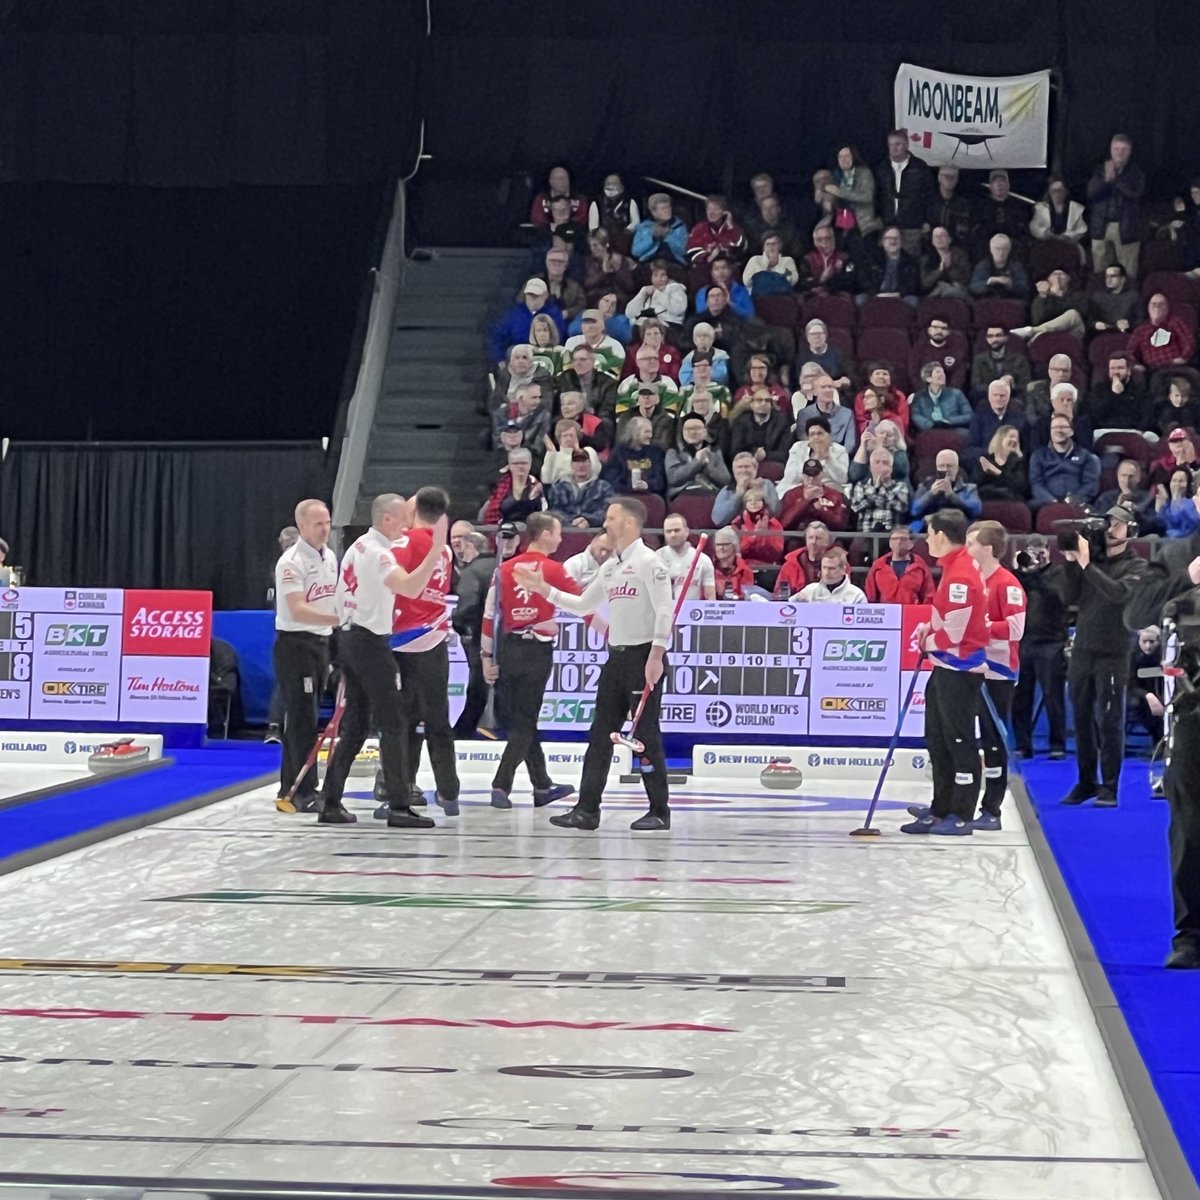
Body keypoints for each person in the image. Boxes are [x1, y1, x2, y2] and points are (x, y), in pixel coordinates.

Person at [515, 498, 676, 831]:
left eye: (612, 518)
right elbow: (583, 604)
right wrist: (544, 589)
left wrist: (657, 655)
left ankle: (659, 810)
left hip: (644, 655)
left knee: (645, 735)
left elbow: (665, 610)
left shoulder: (650, 562)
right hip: (616, 658)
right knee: (600, 734)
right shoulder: (612, 566)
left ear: (630, 524)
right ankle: (587, 809)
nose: (606, 523)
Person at [320, 493, 446, 829]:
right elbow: (411, 588)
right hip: (369, 643)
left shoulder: (359, 544)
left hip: (349, 637)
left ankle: (330, 800)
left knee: (357, 726)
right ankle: (399, 805)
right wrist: (436, 550)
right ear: (387, 519)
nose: (408, 523)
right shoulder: (377, 554)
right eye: (404, 516)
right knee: (393, 722)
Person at [1120, 494, 1200, 967]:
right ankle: (1190, 934)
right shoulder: (1174, 554)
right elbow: (1136, 615)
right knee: (1190, 824)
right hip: (1193, 711)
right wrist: (1186, 581)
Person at [481, 511, 580, 811]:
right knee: (525, 722)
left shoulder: (503, 570)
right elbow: (581, 602)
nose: (561, 539)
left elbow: (489, 616)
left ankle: (542, 785)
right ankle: (501, 783)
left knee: (524, 719)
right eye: (558, 533)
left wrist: (486, 656)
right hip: (536, 650)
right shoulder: (555, 569)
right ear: (545, 534)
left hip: (509, 648)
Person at [901, 509, 989, 836]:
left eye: (929, 533)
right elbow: (949, 622)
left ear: (941, 535)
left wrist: (928, 639)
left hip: (959, 669)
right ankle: (941, 806)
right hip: (945, 666)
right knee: (937, 739)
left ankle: (962, 812)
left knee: (959, 740)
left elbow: (954, 634)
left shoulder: (961, 576)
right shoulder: (954, 569)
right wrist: (930, 628)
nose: (926, 539)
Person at [1059, 504, 1145, 807]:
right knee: (1081, 720)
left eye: (1119, 524)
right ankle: (1085, 782)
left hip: (1114, 651)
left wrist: (1086, 566)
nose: (1111, 528)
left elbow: (1119, 594)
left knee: (1110, 720)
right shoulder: (1090, 561)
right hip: (1083, 648)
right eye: (1108, 522)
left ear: (1131, 530)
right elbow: (1069, 598)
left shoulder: (1137, 566)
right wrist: (1072, 562)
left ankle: (1110, 786)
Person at [388, 486, 460, 817]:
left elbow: (391, 583)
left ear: (415, 510)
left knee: (401, 720)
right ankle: (449, 791)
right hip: (435, 638)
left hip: (405, 639)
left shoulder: (406, 543)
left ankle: (399, 791)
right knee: (438, 718)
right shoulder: (443, 549)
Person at [271, 499, 339, 813]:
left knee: (310, 717)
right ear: (301, 527)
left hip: (321, 645)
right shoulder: (291, 561)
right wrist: (339, 619)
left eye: (327, 522)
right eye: (317, 524)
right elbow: (298, 608)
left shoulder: (331, 557)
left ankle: (301, 785)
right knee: (301, 720)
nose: (324, 529)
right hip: (296, 645)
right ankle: (298, 789)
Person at [964, 520, 1027, 831]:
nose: (967, 549)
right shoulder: (972, 580)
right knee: (964, 736)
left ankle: (992, 808)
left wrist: (982, 628)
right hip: (969, 669)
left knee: (992, 740)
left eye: (972, 543)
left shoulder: (1007, 584)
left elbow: (1016, 629)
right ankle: (958, 802)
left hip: (997, 673)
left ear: (987, 549)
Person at [1011, 535, 1069, 759]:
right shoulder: (1024, 576)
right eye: (1032, 550)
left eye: (1041, 550)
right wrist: (1019, 572)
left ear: (1048, 551)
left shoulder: (1059, 573)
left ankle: (1058, 745)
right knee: (1020, 696)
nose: (1037, 554)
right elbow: (1015, 595)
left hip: (1051, 642)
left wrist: (1034, 574)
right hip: (1024, 641)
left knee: (1053, 695)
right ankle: (1022, 745)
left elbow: (1056, 597)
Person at [450, 530, 494, 739]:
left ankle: (463, 730)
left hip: (477, 634)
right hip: (503, 635)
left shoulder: (472, 572)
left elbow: (467, 604)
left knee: (477, 683)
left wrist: (458, 624)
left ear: (471, 547)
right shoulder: (500, 567)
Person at [1086, 133, 1146, 276]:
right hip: (1101, 226)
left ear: (1129, 151)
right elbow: (1091, 194)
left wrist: (1116, 179)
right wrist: (1105, 180)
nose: (1119, 153)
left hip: (1125, 227)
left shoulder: (1136, 172)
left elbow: (1135, 194)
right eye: (1116, 149)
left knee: (1127, 270)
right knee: (1100, 269)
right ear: (1111, 150)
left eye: (1123, 150)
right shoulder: (1101, 169)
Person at [265, 524, 301, 745]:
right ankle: (274, 726)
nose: (286, 548)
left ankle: (296, 728)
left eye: (290, 545)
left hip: (313, 632)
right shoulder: (280, 567)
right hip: (288, 632)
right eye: (284, 545)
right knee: (285, 679)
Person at [876, 128, 933, 255]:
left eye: (898, 144)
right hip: (887, 224)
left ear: (907, 144)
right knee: (887, 264)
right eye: (890, 145)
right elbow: (877, 196)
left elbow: (930, 196)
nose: (894, 148)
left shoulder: (920, 167)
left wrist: (927, 220)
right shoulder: (881, 168)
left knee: (910, 264)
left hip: (912, 226)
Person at [1029, 416, 1101, 509]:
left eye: (1063, 427)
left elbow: (1090, 485)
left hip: (1079, 505)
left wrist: (1073, 501)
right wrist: (1052, 502)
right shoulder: (1038, 456)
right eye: (1054, 427)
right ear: (1050, 432)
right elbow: (1036, 484)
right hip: (1046, 504)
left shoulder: (1086, 456)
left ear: (1072, 431)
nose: (1059, 430)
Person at [489, 279, 565, 365]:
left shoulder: (554, 313)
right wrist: (500, 359)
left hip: (546, 358)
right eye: (529, 294)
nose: (532, 298)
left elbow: (559, 337)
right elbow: (497, 335)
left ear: (545, 295)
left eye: (536, 295)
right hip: (517, 360)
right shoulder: (514, 313)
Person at [1083, 351, 1153, 433]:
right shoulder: (1099, 389)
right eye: (1112, 368)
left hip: (1133, 432)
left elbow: (1144, 417)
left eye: (1120, 368)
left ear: (1128, 371)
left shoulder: (1140, 391)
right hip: (1103, 431)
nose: (1116, 372)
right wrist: (1113, 395)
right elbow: (1095, 415)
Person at [666, 413, 731, 501]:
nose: (693, 432)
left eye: (697, 428)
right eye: (688, 429)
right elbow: (673, 478)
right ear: (682, 432)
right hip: (683, 494)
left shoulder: (714, 451)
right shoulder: (674, 452)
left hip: (710, 494)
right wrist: (697, 462)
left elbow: (725, 480)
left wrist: (707, 466)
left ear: (705, 431)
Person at [864, 526, 934, 604]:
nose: (898, 542)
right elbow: (870, 595)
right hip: (886, 612)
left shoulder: (920, 566)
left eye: (903, 539)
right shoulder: (878, 566)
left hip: (911, 612)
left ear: (911, 543)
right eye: (895, 539)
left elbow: (928, 596)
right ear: (890, 543)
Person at [1127, 294, 1196, 374]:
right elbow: (1130, 352)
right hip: (1152, 370)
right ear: (1148, 308)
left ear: (1167, 309)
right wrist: (1135, 365)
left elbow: (1188, 341)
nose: (1157, 307)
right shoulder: (1140, 330)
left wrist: (1183, 358)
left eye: (1161, 304)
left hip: (1174, 366)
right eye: (1153, 304)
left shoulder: (1175, 322)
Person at [1012, 269, 1086, 341]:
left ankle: (1032, 331)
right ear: (1048, 279)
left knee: (1073, 313)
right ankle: (1036, 334)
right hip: (1047, 333)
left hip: (1073, 331)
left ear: (1068, 278)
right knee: (1041, 334)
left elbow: (1081, 313)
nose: (1058, 277)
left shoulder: (1077, 295)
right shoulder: (1042, 297)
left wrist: (1058, 294)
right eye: (1054, 274)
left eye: (1062, 274)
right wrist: (1043, 296)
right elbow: (1037, 320)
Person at [604, 413, 668, 497]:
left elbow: (660, 480)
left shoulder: (656, 452)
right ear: (635, 432)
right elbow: (611, 480)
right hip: (624, 495)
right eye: (646, 432)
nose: (650, 436)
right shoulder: (619, 451)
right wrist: (630, 487)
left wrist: (648, 485)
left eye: (651, 432)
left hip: (650, 495)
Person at [849, 447, 911, 533]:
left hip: (891, 536)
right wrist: (876, 489)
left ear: (891, 468)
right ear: (870, 467)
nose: (881, 466)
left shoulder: (900, 486)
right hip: (865, 535)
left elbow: (901, 507)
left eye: (885, 463)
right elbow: (856, 507)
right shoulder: (861, 486)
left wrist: (881, 490)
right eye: (877, 462)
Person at [911, 448, 982, 522]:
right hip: (928, 526)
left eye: (950, 466)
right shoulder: (925, 486)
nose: (946, 469)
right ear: (936, 467)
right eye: (941, 466)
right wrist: (931, 494)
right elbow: (914, 511)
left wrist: (952, 496)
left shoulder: (969, 488)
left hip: (958, 527)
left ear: (957, 468)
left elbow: (976, 511)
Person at [547, 449, 613, 527]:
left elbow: (606, 512)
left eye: (584, 461)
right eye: (577, 461)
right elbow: (554, 512)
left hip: (594, 532)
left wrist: (588, 520)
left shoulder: (604, 488)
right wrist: (573, 522)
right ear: (571, 465)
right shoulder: (558, 488)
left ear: (590, 464)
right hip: (565, 532)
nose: (581, 465)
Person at [480, 448, 546, 526]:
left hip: (531, 530)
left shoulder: (537, 486)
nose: (520, 466)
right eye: (516, 463)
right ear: (509, 466)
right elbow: (488, 514)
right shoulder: (498, 486)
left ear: (530, 464)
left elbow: (543, 513)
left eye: (524, 463)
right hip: (502, 530)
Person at [712, 451, 782, 525]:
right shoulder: (727, 490)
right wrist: (738, 496)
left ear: (755, 469)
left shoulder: (766, 484)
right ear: (734, 471)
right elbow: (718, 521)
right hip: (734, 531)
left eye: (747, 467)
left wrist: (762, 492)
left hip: (763, 527)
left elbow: (776, 513)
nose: (743, 470)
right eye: (739, 467)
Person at [1096, 458, 1161, 537]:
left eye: (1131, 476)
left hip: (1140, 537)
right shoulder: (1105, 498)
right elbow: (1101, 522)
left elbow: (1154, 524)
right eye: (1123, 476)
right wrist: (1117, 507)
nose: (1127, 480)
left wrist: (1135, 512)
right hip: (1111, 537)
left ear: (1138, 478)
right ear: (1117, 477)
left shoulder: (1148, 498)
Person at [965, 378, 1026, 461]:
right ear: (989, 396)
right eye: (995, 395)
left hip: (1012, 463)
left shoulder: (1019, 417)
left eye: (1002, 395)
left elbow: (1025, 448)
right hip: (986, 461)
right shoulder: (979, 417)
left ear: (1008, 396)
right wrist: (992, 453)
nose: (998, 398)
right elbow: (970, 448)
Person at [793, 372, 857, 452]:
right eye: (823, 387)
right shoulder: (804, 414)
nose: (828, 390)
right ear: (815, 392)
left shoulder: (847, 414)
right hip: (813, 456)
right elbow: (804, 442)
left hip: (839, 458)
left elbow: (850, 445)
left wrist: (835, 457)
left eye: (830, 387)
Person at [658, 514, 717, 599]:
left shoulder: (703, 560)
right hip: (663, 610)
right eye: (668, 531)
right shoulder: (655, 558)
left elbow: (710, 595)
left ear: (686, 532)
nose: (673, 535)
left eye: (677, 530)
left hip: (692, 610)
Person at [729, 388, 792, 466]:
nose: (763, 403)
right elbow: (735, 451)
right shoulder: (741, 422)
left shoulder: (782, 422)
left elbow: (785, 453)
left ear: (771, 405)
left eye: (767, 400)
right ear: (751, 404)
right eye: (759, 400)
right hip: (747, 463)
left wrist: (765, 455)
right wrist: (753, 453)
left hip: (772, 464)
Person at [1127, 625, 1165, 748]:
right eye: (1144, 642)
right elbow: (1130, 682)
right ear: (1138, 641)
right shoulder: (1132, 656)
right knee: (1139, 705)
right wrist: (1148, 696)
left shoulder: (1165, 655)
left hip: (1162, 691)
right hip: (1137, 693)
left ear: (1159, 641)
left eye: (1152, 642)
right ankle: (1158, 739)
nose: (1148, 646)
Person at [909, 319, 970, 394]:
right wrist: (927, 392)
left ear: (948, 332)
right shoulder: (919, 349)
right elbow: (913, 374)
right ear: (929, 330)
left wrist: (946, 394)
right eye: (935, 327)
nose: (939, 331)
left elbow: (959, 376)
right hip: (923, 393)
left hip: (950, 394)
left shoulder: (956, 350)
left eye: (943, 328)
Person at [774, 521, 833, 597]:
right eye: (810, 538)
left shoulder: (838, 564)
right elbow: (779, 593)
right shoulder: (791, 564)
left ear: (827, 542)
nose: (813, 542)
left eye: (818, 538)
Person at [969, 328, 1031, 401]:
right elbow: (976, 385)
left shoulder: (1020, 360)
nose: (994, 339)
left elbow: (1026, 385)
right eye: (990, 336)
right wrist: (999, 386)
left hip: (1014, 398)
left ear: (1006, 338)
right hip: (987, 398)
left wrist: (1012, 385)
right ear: (986, 339)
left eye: (998, 336)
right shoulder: (979, 360)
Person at [972, 425, 1029, 502]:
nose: (1015, 440)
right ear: (1000, 438)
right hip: (986, 499)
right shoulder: (986, 459)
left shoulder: (1020, 462)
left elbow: (1021, 488)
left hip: (1011, 501)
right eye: (1011, 436)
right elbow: (975, 484)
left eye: (1017, 439)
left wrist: (997, 472)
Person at [1030, 176, 1087, 249]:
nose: (1057, 194)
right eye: (1054, 191)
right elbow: (1034, 227)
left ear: (1065, 192)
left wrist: (1066, 236)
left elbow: (1082, 229)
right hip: (1047, 246)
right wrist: (1046, 233)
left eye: (1060, 190)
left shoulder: (1075, 209)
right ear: (1049, 192)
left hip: (1069, 247)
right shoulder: (1041, 208)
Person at [734, 487, 785, 567]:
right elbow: (736, 551)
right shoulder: (737, 523)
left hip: (767, 566)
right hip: (743, 565)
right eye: (749, 500)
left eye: (758, 500)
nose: (753, 503)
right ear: (745, 504)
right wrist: (753, 536)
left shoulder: (774, 524)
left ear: (764, 503)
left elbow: (777, 551)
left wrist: (764, 534)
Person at [631, 193, 689, 265]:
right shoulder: (644, 227)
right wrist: (653, 238)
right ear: (653, 212)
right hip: (649, 262)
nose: (667, 210)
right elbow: (635, 252)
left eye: (668, 207)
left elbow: (684, 250)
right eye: (663, 208)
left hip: (674, 263)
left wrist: (667, 236)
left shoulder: (680, 226)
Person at [1087, 263, 1144, 335]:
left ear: (1123, 279)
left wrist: (1129, 324)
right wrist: (1095, 324)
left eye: (1113, 276)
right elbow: (1089, 319)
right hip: (1103, 335)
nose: (1109, 280)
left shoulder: (1133, 296)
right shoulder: (1098, 296)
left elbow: (1141, 319)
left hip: (1127, 334)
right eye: (1107, 277)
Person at [968, 234, 1030, 300]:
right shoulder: (983, 265)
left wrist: (1011, 284)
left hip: (1011, 301)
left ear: (1009, 249)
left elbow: (1025, 289)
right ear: (991, 249)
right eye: (997, 249)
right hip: (987, 300)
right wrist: (988, 282)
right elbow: (973, 287)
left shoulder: (1016, 266)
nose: (1001, 253)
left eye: (1005, 249)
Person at [798, 545, 867, 604]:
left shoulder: (857, 595)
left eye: (831, 568)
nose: (826, 572)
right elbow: (789, 608)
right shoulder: (809, 591)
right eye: (824, 567)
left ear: (843, 570)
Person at [712, 527, 755, 598]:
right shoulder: (709, 568)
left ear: (734, 546)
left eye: (725, 544)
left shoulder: (744, 571)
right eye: (718, 545)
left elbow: (747, 597)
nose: (721, 548)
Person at [1158, 468, 1200, 539]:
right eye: (1174, 480)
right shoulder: (1166, 504)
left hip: (1186, 542)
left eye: (1181, 481)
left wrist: (1178, 504)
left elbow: (1193, 525)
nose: (1177, 484)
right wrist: (1160, 509)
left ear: (1188, 484)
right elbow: (1161, 526)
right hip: (1166, 541)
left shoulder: (1192, 502)